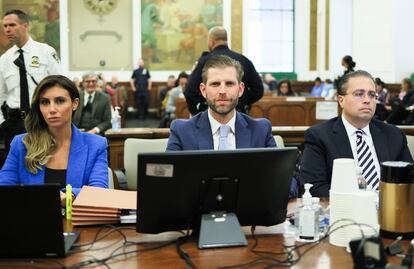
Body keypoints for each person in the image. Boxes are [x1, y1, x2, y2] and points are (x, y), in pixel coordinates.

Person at [300, 70, 413, 197]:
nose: (367, 100)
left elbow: (409, 182)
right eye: (359, 94)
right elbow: (314, 186)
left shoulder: (394, 135)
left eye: (372, 95)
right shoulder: (319, 136)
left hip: (390, 210)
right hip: (344, 212)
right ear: (341, 100)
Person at [0, 75, 108, 205]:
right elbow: (4, 190)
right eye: (45, 102)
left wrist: (70, 196)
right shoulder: (21, 144)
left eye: (60, 101)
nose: (52, 109)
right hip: (31, 222)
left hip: (78, 223)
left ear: (75, 104)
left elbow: (99, 192)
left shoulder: (96, 145)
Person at [167, 54, 275, 151]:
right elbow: (168, 171)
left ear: (241, 89)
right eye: (215, 84)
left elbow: (279, 172)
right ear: (203, 90)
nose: (222, 91)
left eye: (229, 84)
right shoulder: (181, 131)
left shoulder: (261, 130)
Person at [0, 9, 61, 156]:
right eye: (5, 26)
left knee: (45, 161)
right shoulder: (4, 60)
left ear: (26, 26)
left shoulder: (46, 52)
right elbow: (0, 95)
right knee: (17, 167)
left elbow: (61, 86)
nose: (7, 29)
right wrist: (3, 123)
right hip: (14, 122)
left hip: (41, 118)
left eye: (12, 25)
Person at [184, 26, 263, 115]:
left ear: (211, 42)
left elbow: (190, 92)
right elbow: (258, 90)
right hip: (239, 114)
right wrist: (241, 101)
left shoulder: (204, 61)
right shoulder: (244, 60)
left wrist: (198, 112)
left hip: (209, 114)